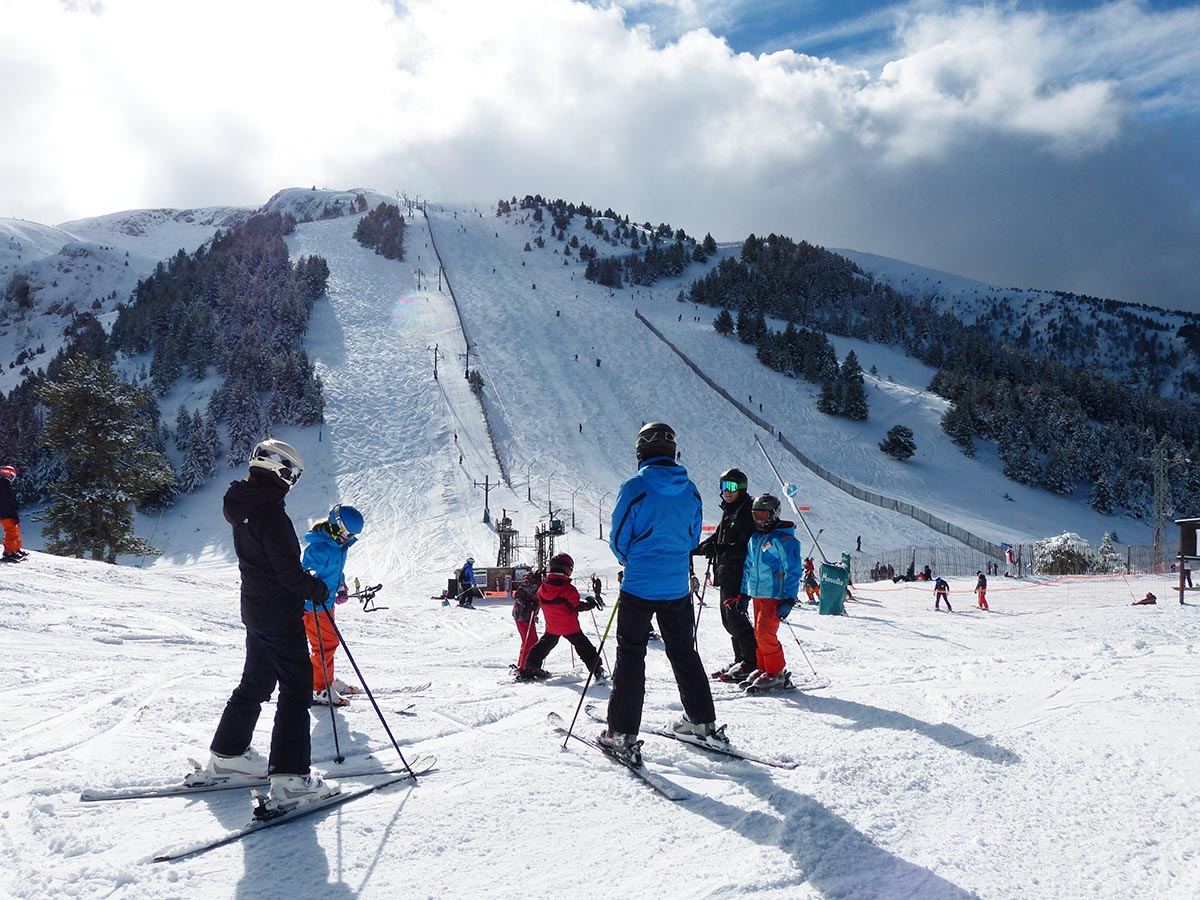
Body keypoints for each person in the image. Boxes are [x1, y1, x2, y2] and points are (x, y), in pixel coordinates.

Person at [201, 439, 337, 811]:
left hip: (256, 610)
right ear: (281, 471)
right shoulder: (271, 514)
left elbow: (269, 564)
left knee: (256, 682)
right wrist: (316, 587)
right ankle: (292, 779)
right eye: (292, 474)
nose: (292, 481)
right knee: (295, 688)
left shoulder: (244, 505)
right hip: (278, 613)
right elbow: (288, 574)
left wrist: (301, 582)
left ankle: (228, 757)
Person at [601, 422, 719, 763]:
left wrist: (632, 560)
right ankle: (701, 721)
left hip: (639, 585)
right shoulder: (691, 490)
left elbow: (620, 538)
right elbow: (692, 537)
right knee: (683, 651)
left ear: (641, 452)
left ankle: (622, 732)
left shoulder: (635, 487)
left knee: (631, 655)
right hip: (675, 587)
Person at [691, 467, 756, 682]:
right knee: (728, 620)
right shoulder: (730, 510)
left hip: (739, 572)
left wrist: (719, 550)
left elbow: (747, 546)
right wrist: (697, 549)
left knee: (736, 618)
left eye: (731, 486)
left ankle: (751, 661)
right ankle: (740, 659)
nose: (726, 491)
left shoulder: (746, 512)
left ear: (742, 488)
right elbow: (717, 538)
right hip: (726, 571)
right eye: (723, 486)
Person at [302, 504, 365, 707]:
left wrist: (341, 587)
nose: (349, 539)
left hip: (326, 604)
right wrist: (312, 589)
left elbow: (335, 571)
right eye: (348, 534)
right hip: (314, 606)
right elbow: (305, 574)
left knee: (328, 644)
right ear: (336, 527)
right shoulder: (319, 549)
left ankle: (326, 679)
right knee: (324, 646)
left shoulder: (338, 546)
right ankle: (320, 688)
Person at [739, 494, 801, 691]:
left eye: (763, 515)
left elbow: (793, 569)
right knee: (758, 634)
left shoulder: (784, 539)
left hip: (775, 595)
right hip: (758, 593)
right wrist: (744, 593)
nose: (759, 520)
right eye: (755, 515)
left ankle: (776, 672)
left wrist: (789, 598)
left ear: (774, 515)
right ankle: (764, 668)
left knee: (766, 633)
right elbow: (748, 567)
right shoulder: (755, 539)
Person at [518, 554, 602, 680]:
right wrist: (590, 604)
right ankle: (596, 669)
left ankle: (530, 666)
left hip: (552, 627)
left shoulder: (543, 588)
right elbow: (577, 606)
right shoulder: (568, 589)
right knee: (584, 647)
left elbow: (539, 600)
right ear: (568, 569)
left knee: (542, 646)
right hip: (570, 627)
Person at [511, 569, 542, 672]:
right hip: (523, 615)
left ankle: (522, 664)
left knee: (528, 641)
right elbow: (518, 595)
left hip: (524, 615)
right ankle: (524, 667)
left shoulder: (535, 583)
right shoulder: (532, 583)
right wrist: (529, 606)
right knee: (531, 641)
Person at [0, 465, 26, 563]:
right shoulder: (5, 486)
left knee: (15, 531)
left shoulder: (4, 484)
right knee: (11, 532)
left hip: (6, 513)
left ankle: (16, 549)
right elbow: (7, 502)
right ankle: (9, 552)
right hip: (6, 514)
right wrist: (12, 514)